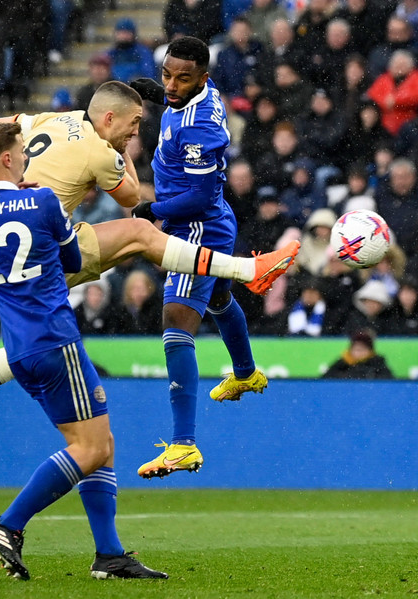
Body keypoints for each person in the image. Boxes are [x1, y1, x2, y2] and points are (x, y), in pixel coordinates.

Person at [0, 80, 299, 459]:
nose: (135, 133)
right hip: (43, 251)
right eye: (133, 123)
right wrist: (121, 154)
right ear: (109, 118)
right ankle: (247, 269)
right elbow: (132, 198)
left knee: (28, 346)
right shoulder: (99, 151)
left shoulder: (48, 119)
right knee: (140, 233)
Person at [0, 121, 167, 581]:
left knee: (99, 444)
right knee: (92, 447)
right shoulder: (42, 200)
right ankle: (8, 524)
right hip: (54, 337)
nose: (26, 157)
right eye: (21, 151)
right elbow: (73, 260)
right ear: (7, 158)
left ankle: (109, 554)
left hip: (18, 344)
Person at [123, 37, 281, 478]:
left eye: (182, 79)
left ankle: (183, 445)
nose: (172, 85)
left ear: (203, 78)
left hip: (197, 227)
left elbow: (197, 196)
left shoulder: (200, 129)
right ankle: (246, 372)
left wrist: (151, 210)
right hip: (209, 221)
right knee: (217, 300)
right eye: (167, 76)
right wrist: (161, 95)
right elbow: (179, 100)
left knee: (176, 320)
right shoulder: (198, 94)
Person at [322, 329, 395, 379]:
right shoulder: (343, 363)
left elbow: (388, 380)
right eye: (356, 349)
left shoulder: (377, 363)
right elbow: (326, 379)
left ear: (370, 351)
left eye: (362, 349)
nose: (358, 353)